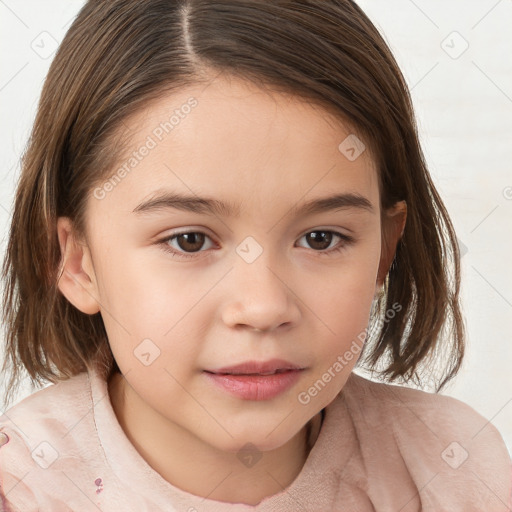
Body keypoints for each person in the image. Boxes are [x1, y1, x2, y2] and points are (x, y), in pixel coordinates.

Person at [0, 0, 510, 510]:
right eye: (189, 240)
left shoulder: (454, 469)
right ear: (76, 262)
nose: (264, 307)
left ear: (384, 249)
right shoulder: (21, 489)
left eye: (320, 238)